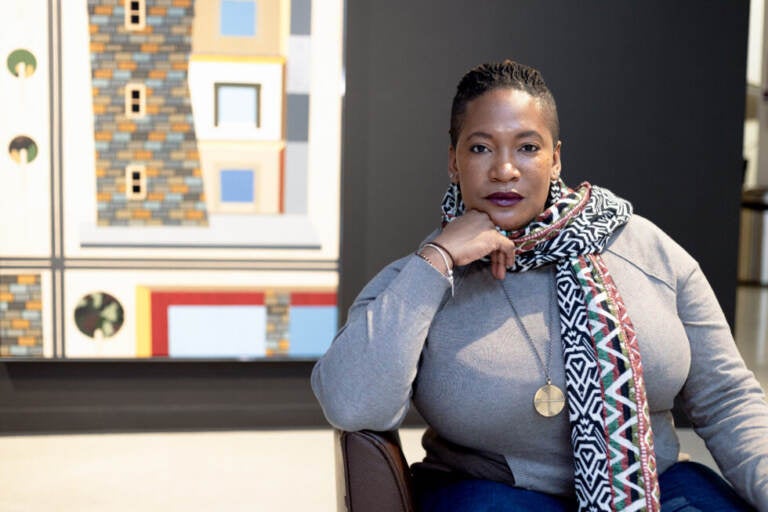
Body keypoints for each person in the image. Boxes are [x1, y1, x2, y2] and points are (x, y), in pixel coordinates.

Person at [311, 60, 768, 511]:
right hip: (490, 491)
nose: (505, 170)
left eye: (528, 147)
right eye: (480, 148)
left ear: (556, 159)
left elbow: (727, 400)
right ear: (453, 162)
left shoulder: (648, 251)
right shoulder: (422, 277)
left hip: (651, 489)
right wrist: (439, 259)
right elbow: (352, 404)